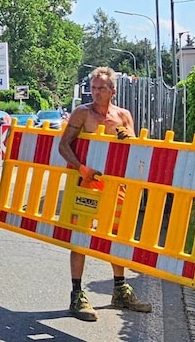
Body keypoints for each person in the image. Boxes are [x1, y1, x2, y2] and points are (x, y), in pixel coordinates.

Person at [58, 66, 152, 322]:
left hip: (117, 187)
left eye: (101, 88)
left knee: (118, 236)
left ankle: (120, 289)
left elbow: (136, 149)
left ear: (113, 91)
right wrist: (81, 167)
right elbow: (63, 145)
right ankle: (77, 294)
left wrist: (127, 138)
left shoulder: (123, 116)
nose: (96, 92)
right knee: (81, 238)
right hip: (88, 184)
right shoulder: (82, 113)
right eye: (94, 87)